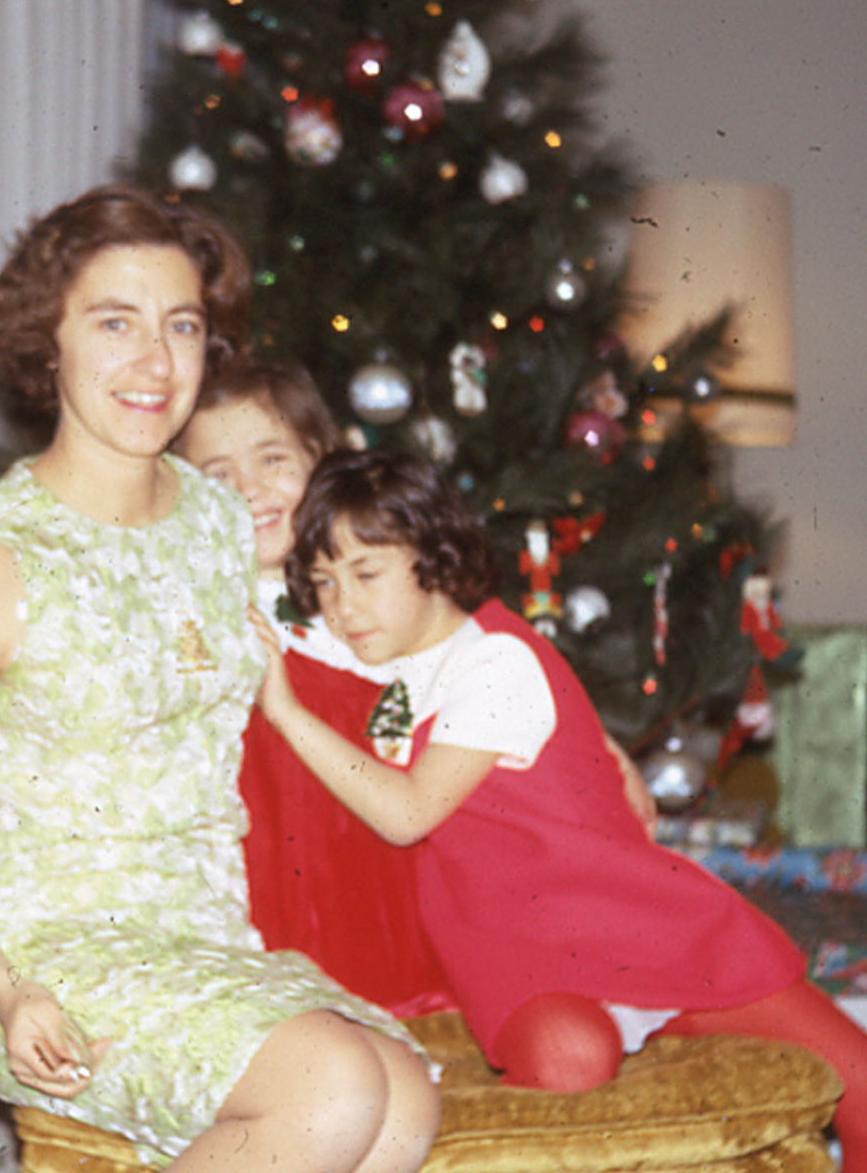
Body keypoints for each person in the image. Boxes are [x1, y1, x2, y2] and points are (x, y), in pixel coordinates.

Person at [0, 185, 440, 1173]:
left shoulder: (218, 522)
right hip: (26, 954)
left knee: (398, 1097)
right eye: (114, 323)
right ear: (45, 343)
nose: (156, 361)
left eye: (181, 325)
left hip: (194, 934)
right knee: (336, 1088)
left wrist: (561, 723)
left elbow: (369, 628)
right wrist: (9, 993)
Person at [253, 447, 867, 1167]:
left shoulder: (494, 660)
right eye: (323, 582)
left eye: (365, 573)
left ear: (434, 558)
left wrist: (288, 714)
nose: (343, 605)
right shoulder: (378, 643)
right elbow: (269, 605)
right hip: (517, 947)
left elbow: (409, 813)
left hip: (632, 918)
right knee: (568, 1056)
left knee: (856, 1079)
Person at [176, 358, 456, 1016]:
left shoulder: (379, 584)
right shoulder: (209, 606)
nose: (249, 487)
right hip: (276, 897)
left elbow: (482, 674)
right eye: (217, 475)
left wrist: (605, 752)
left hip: (389, 878)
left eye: (273, 459)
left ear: (324, 462)